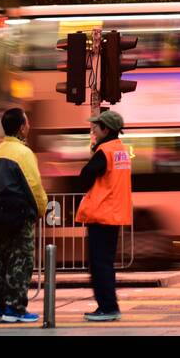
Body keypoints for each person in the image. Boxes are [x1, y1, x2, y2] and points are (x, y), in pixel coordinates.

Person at [0, 107, 47, 324]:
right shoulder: (23, 153)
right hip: (19, 217)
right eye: (27, 123)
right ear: (21, 128)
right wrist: (41, 209)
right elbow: (34, 187)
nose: (28, 126)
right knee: (21, 260)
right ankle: (15, 308)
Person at [76, 109, 132, 321]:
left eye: (96, 126)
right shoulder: (121, 151)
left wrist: (93, 150)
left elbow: (85, 176)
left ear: (106, 129)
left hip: (101, 214)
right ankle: (109, 306)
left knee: (99, 264)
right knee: (105, 263)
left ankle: (107, 307)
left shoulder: (104, 152)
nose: (92, 129)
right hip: (114, 214)